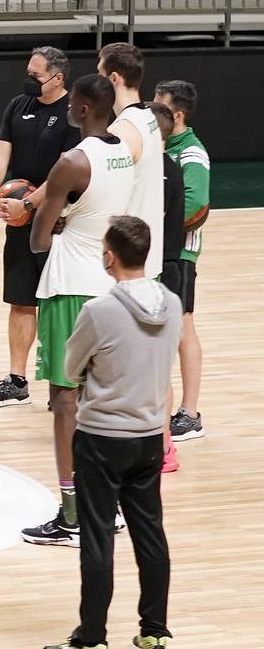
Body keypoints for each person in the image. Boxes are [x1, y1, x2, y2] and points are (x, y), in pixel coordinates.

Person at [42, 216, 181, 649]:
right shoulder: (173, 303)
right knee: (151, 535)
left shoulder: (98, 311)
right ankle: (154, 633)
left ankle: (92, 642)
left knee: (98, 538)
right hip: (148, 437)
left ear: (110, 256)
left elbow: (70, 364)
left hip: (102, 437)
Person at [18, 74, 135, 548]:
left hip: (70, 286)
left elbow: (39, 238)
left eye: (74, 104)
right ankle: (111, 505)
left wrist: (49, 217)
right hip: (111, 283)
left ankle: (72, 515)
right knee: (101, 400)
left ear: (84, 108)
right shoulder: (123, 154)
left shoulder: (71, 161)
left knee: (65, 402)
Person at [0, 46, 80, 408]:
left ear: (58, 78)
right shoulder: (17, 106)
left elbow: (64, 175)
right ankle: (17, 380)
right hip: (20, 220)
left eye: (36, 76)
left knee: (57, 303)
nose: (29, 80)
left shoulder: (74, 115)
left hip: (58, 223)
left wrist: (29, 203)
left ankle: (63, 382)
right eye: (28, 72)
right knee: (21, 301)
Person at [153, 80, 209, 443]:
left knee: (183, 328)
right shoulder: (162, 146)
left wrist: (158, 226)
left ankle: (189, 413)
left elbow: (196, 206)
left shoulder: (191, 154)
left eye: (159, 108)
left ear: (177, 114)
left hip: (180, 253)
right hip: (158, 250)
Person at [98, 43, 164, 281]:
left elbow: (105, 194)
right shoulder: (150, 119)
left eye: (100, 74)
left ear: (113, 78)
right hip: (147, 258)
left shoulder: (121, 130)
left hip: (125, 265)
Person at [147, 102, 185, 474]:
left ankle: (164, 446)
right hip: (159, 271)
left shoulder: (160, 172)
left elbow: (147, 221)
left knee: (158, 369)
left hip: (163, 272)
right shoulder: (158, 167)